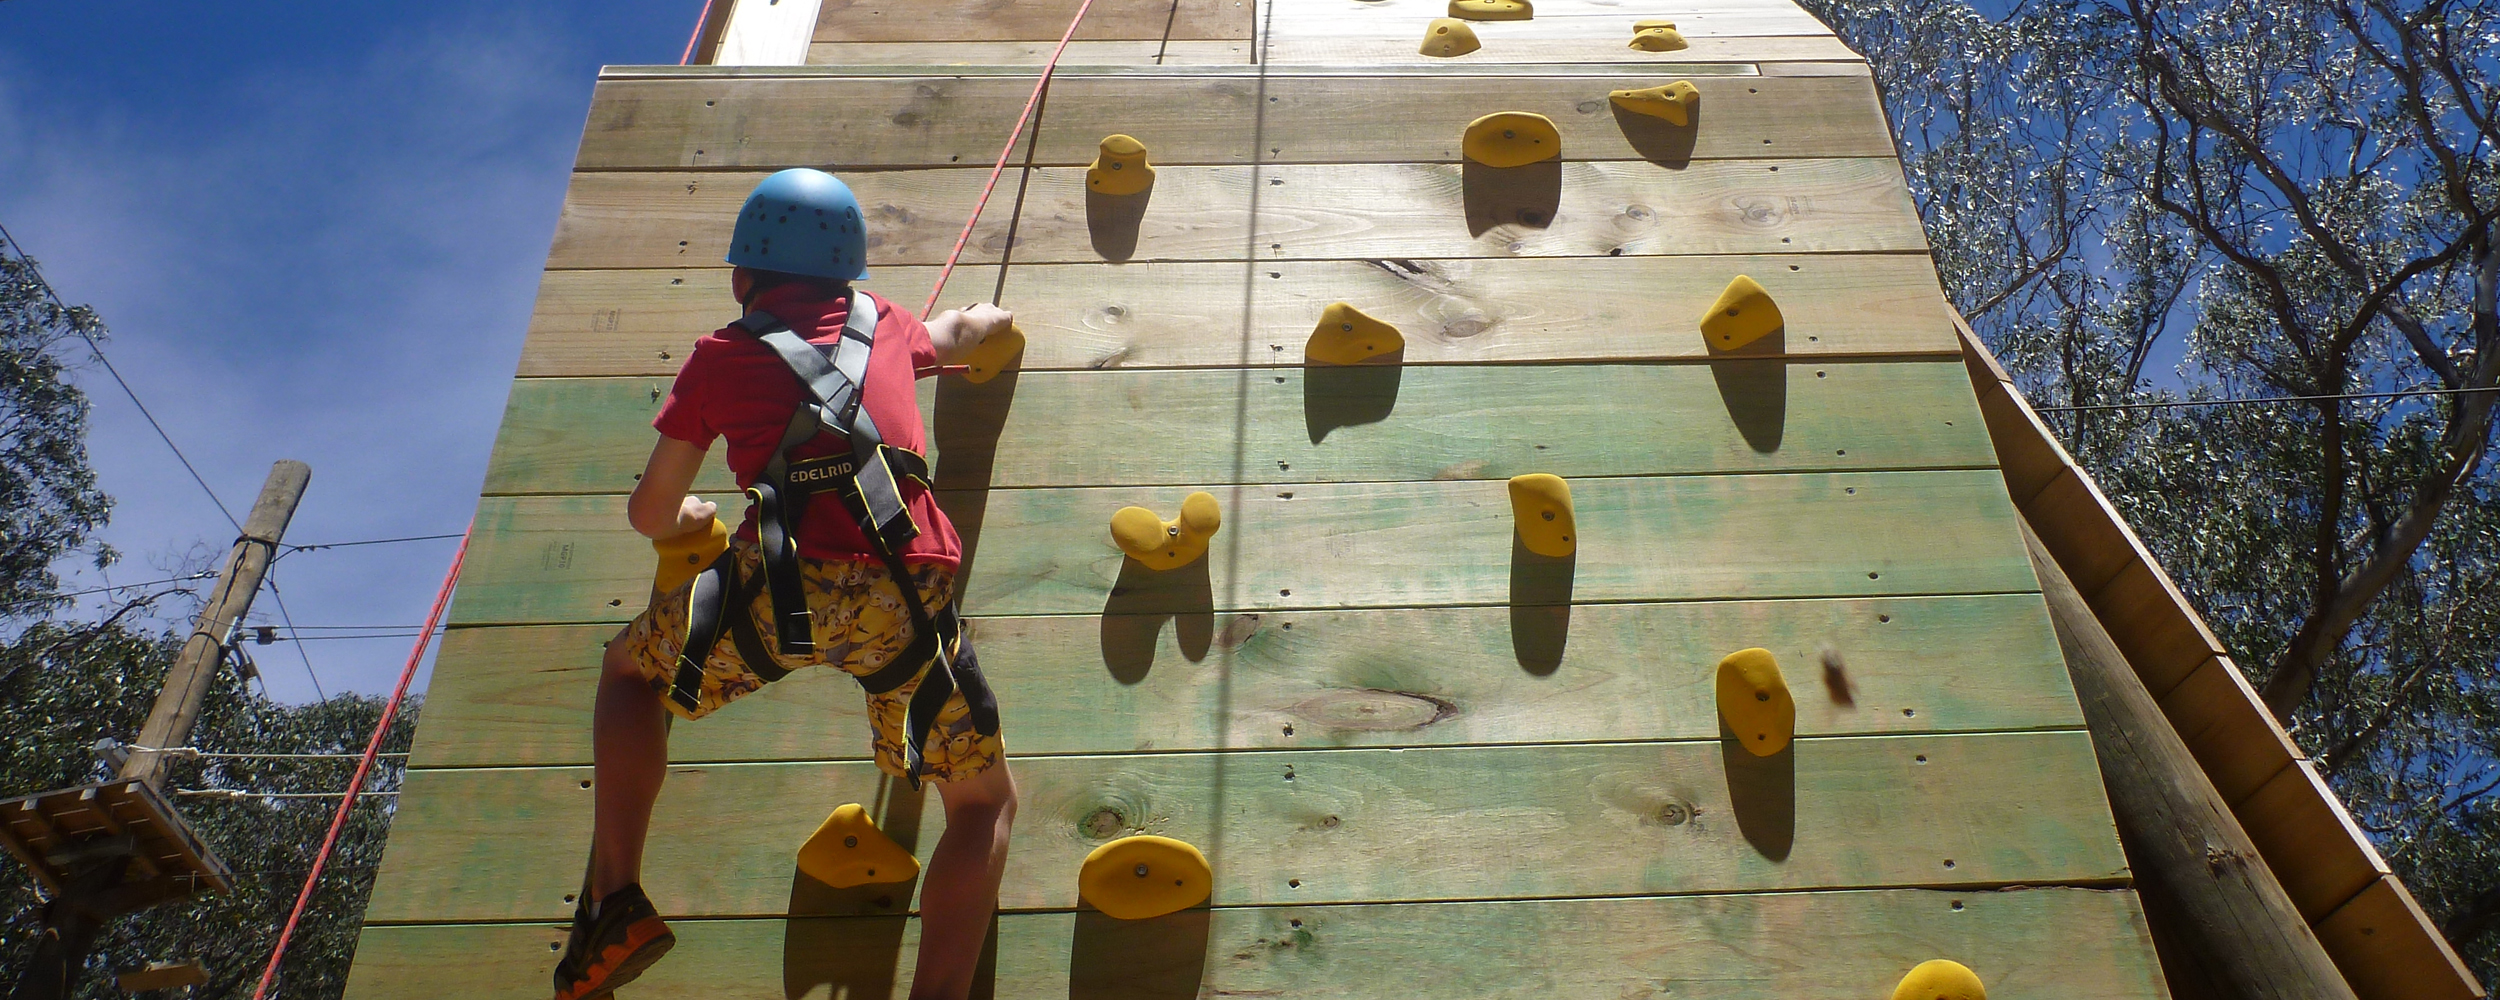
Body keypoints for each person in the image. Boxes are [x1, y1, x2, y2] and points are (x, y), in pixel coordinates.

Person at [554, 168, 1019, 1000]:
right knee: (982, 804)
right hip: (903, 600)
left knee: (629, 672)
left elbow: (650, 512)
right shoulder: (890, 324)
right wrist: (987, 321)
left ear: (744, 276)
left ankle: (614, 899)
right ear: (849, 274)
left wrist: (682, 511)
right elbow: (956, 334)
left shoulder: (720, 357)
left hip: (779, 592)